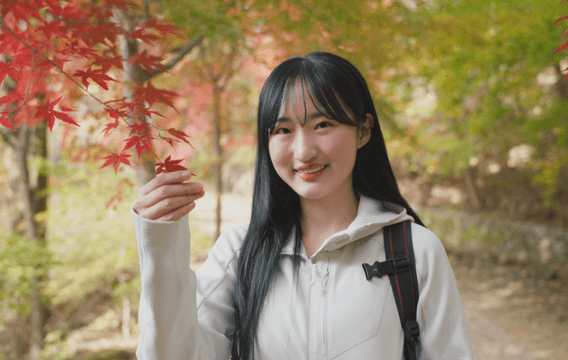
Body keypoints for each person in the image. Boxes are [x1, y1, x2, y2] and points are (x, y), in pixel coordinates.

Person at [132, 52, 473, 359]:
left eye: (323, 124)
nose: (303, 151)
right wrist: (161, 249)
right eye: (283, 129)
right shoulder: (240, 252)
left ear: (363, 130)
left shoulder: (415, 251)